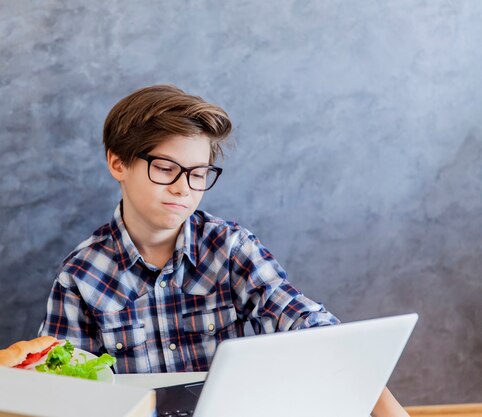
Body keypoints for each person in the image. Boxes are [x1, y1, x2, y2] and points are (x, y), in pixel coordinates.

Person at [38, 84, 409, 416]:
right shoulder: (81, 276)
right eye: (166, 169)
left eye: (198, 173)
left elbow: (311, 328)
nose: (184, 188)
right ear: (118, 162)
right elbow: (62, 389)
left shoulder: (231, 248)